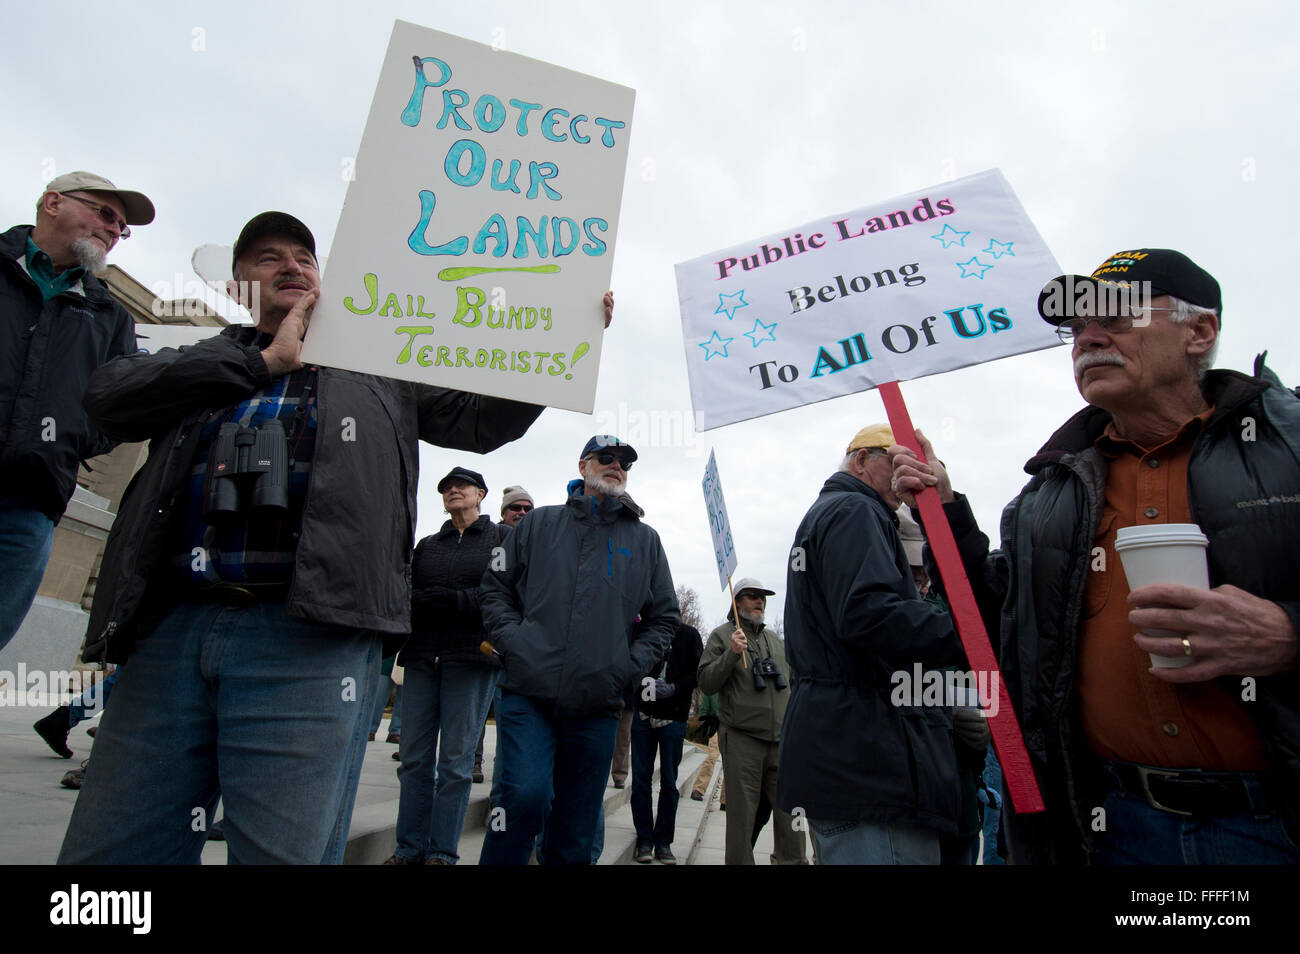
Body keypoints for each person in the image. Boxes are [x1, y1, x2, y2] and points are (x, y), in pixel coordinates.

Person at [56, 211, 557, 865]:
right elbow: (107, 395)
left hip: (309, 638)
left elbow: (482, 416)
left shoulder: (382, 365)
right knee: (111, 855)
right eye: (267, 257)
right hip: (171, 634)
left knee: (282, 852)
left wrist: (555, 338)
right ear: (237, 288)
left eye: (304, 256)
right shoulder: (210, 358)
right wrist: (262, 362)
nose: (291, 265)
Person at [892, 248, 1300, 865]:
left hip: (1274, 828)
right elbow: (1002, 624)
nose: (1088, 335)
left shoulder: (1288, 442)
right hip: (1107, 827)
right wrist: (943, 509)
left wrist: (1288, 634)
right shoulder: (1051, 491)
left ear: (1200, 330)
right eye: (1076, 325)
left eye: (1116, 314)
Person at [478, 435, 678, 865]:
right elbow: (495, 587)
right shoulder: (537, 524)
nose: (617, 466)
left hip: (598, 702)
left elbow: (665, 618)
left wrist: (626, 666)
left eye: (625, 462)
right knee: (523, 797)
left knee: (576, 828)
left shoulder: (645, 541)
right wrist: (515, 643)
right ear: (583, 465)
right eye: (607, 457)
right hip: (529, 690)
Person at [776, 430, 965, 865]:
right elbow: (868, 616)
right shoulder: (856, 508)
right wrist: (966, 633)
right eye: (896, 460)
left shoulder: (843, 511)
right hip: (868, 762)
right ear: (862, 460)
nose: (907, 473)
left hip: (852, 753)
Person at [1, 171, 154, 650]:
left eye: (121, 227)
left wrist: (68, 441)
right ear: (52, 203)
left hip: (29, 503)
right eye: (104, 214)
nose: (113, 230)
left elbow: (122, 407)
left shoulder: (110, 316)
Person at [386, 466, 505, 865]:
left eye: (462, 485)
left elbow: (501, 593)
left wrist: (453, 600)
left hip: (471, 658)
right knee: (414, 761)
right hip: (422, 657)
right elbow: (408, 591)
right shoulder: (428, 545)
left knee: (454, 765)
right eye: (446, 487)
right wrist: (428, 599)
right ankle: (408, 850)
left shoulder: (499, 539)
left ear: (481, 494)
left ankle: (441, 854)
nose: (453, 490)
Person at [697, 576, 806, 865]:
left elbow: (796, 685)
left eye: (763, 597)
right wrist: (731, 654)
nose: (760, 601)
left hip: (782, 742)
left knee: (792, 817)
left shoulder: (777, 642)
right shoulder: (722, 636)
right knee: (741, 819)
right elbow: (706, 682)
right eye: (752, 595)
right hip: (743, 739)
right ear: (737, 601)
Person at [631, 621, 702, 864]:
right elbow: (629, 664)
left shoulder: (689, 635)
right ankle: (643, 839)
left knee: (669, 782)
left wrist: (674, 688)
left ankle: (663, 841)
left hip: (673, 717)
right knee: (641, 779)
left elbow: (697, 673)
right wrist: (640, 686)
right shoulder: (641, 631)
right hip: (642, 714)